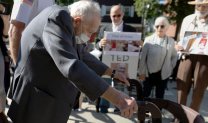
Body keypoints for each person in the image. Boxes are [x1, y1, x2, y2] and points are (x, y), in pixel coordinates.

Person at [7, 1, 137, 123]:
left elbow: (83, 55)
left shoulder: (70, 24)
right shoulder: (59, 17)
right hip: (35, 104)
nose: (92, 39)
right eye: (90, 32)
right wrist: (119, 99)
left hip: (44, 103)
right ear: (77, 21)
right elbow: (72, 66)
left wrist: (112, 72)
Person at [175, 0, 208, 112]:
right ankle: (180, 116)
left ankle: (193, 117)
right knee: (181, 87)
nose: (201, 8)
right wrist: (179, 46)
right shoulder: (187, 19)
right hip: (187, 56)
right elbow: (181, 40)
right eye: (198, 5)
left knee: (199, 90)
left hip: (206, 59)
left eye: (205, 6)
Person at [95, 4, 136, 113]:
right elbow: (96, 46)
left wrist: (137, 45)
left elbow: (135, 48)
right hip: (107, 63)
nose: (116, 18)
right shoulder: (104, 29)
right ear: (110, 16)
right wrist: (100, 43)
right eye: (114, 16)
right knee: (105, 85)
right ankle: (103, 108)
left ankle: (120, 108)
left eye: (118, 15)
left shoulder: (131, 29)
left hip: (124, 63)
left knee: (121, 85)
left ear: (123, 14)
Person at [138, 16, 177, 100]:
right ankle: (143, 111)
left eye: (162, 26)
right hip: (148, 74)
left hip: (163, 74)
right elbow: (142, 58)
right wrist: (141, 72)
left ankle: (158, 112)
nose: (159, 28)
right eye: (157, 26)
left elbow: (174, 56)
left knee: (160, 96)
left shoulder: (171, 41)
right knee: (145, 95)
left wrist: (170, 68)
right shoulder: (148, 40)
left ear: (166, 27)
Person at [0, 1, 11, 122]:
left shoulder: (3, 9)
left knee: (2, 84)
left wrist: (6, 20)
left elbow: (5, 36)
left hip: (1, 50)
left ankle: (1, 113)